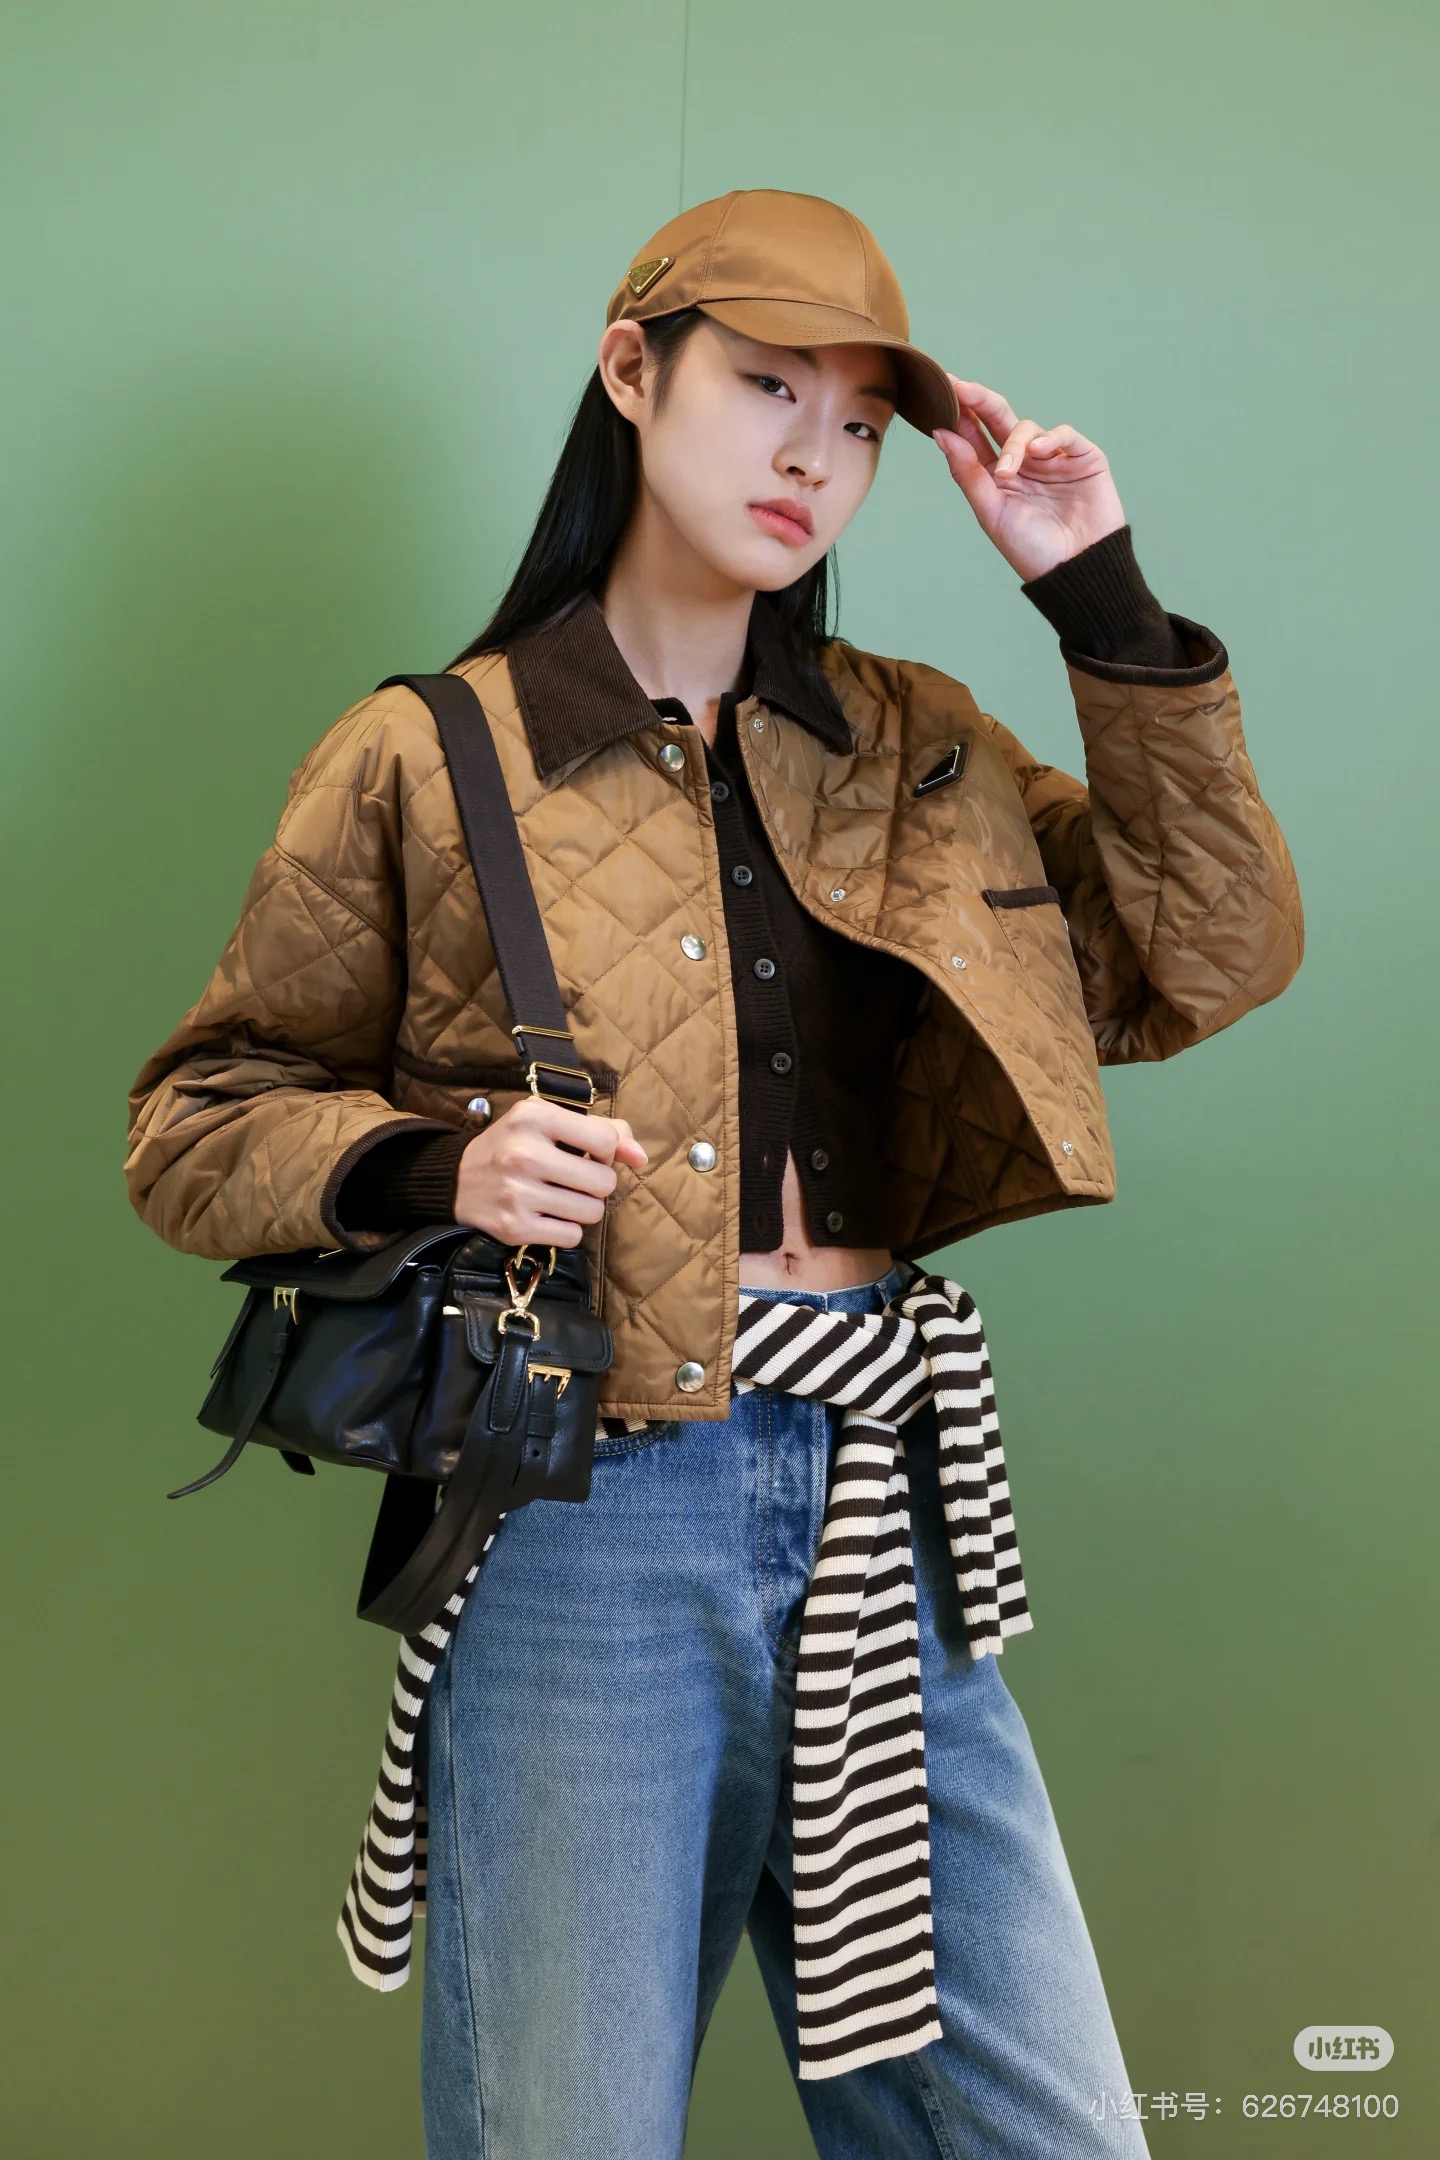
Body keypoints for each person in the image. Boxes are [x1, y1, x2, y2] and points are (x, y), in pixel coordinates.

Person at [125, 188, 1303, 2158]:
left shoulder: (915, 747)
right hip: (584, 1517)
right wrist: (439, 1163)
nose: (811, 456)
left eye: (857, 421)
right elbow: (195, 1120)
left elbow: (1209, 956)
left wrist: (1096, 597)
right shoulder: (426, 755)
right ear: (631, 371)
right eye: (765, 388)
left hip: (888, 1509)